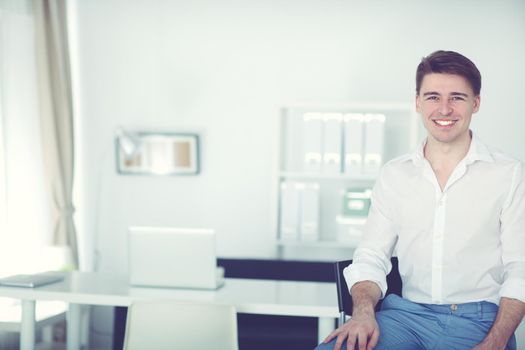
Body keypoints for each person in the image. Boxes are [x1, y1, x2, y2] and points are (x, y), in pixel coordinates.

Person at [316, 50, 525, 350]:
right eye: (432, 97)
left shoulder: (509, 174)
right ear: (417, 102)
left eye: (456, 97)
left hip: (478, 320)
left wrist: (496, 341)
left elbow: (521, 267)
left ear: (475, 103)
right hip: (404, 317)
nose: (444, 109)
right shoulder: (395, 175)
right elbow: (371, 256)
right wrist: (363, 314)